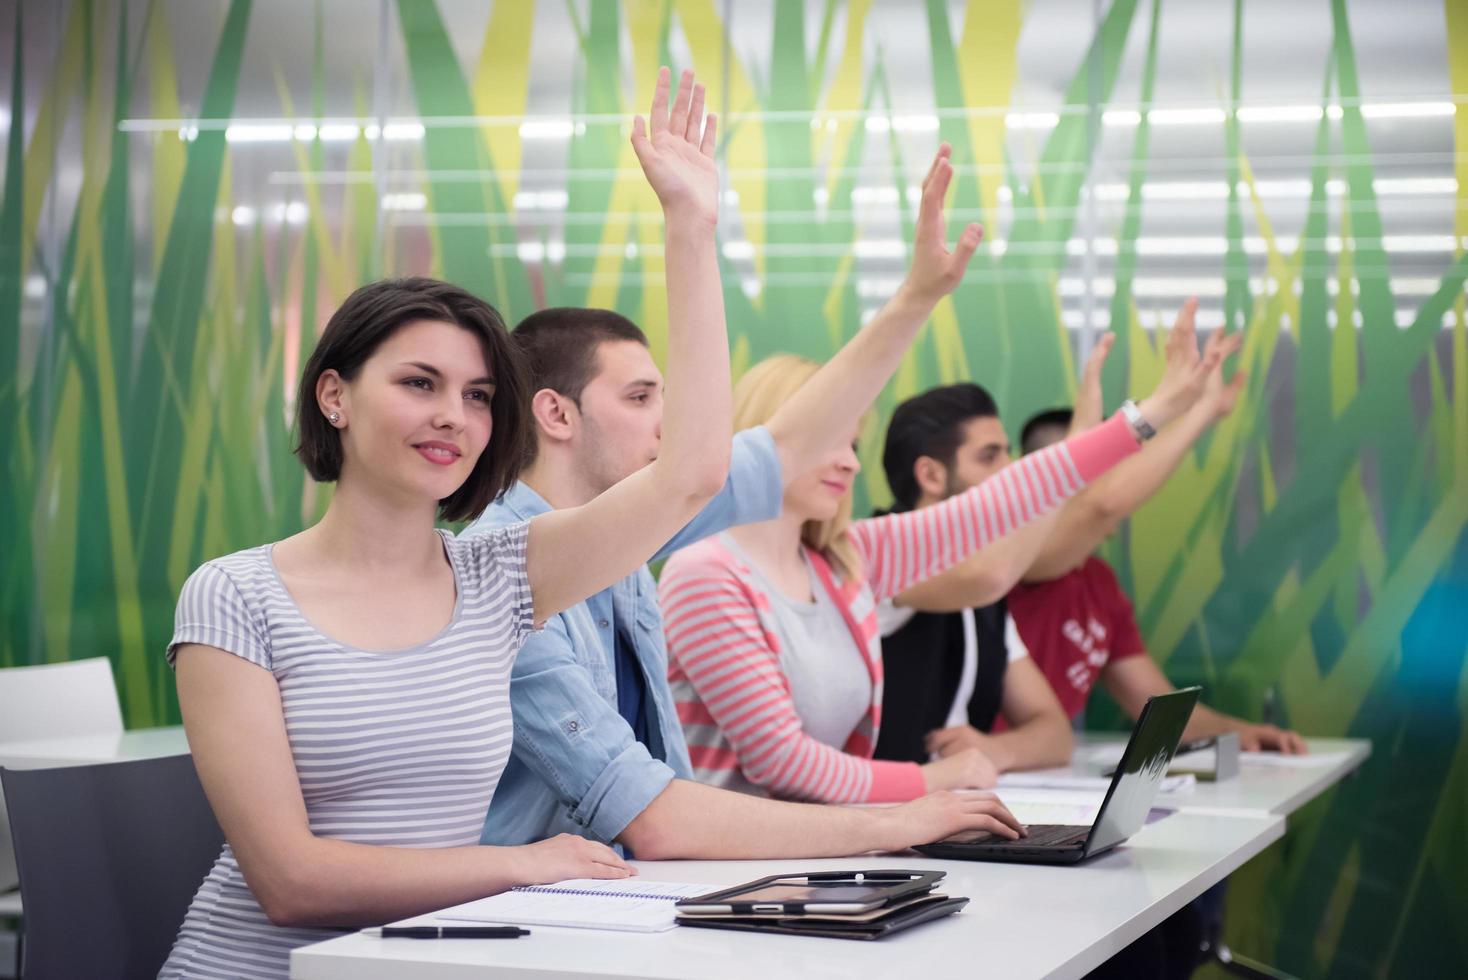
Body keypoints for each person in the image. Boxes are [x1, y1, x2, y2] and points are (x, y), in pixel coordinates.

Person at [162, 68, 740, 979]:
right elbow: (290, 882)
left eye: (476, 396)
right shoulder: (235, 595)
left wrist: (690, 225)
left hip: (423, 964)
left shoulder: (500, 577)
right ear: (335, 396)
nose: (454, 417)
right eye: (418, 384)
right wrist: (525, 867)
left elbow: (694, 472)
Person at [467, 143, 1028, 859]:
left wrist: (918, 296)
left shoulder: (628, 556)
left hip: (633, 900)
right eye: (641, 398)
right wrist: (906, 814)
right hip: (526, 936)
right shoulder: (500, 580)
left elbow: (790, 443)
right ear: (555, 414)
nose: (671, 424)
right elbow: (654, 818)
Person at [658, 304, 1228, 804]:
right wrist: (933, 784)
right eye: (832, 439)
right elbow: (781, 762)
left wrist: (1156, 411)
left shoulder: (847, 559)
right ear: (767, 435)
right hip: (732, 882)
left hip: (820, 853)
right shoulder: (705, 571)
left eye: (853, 444)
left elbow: (1011, 497)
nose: (851, 463)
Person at [1009, 378, 1307, 752]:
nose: (1116, 489)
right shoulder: (1008, 564)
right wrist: (1198, 413)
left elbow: (1159, 711)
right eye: (1097, 477)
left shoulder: (1099, 583)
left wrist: (1241, 732)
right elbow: (1103, 508)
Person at [871, 381, 1073, 773]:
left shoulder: (984, 586)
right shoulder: (880, 552)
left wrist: (995, 751)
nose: (1009, 471)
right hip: (879, 819)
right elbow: (991, 577)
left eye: (1007, 454)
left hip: (952, 814)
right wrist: (1078, 457)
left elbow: (1055, 733)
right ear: (930, 475)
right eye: (988, 457)